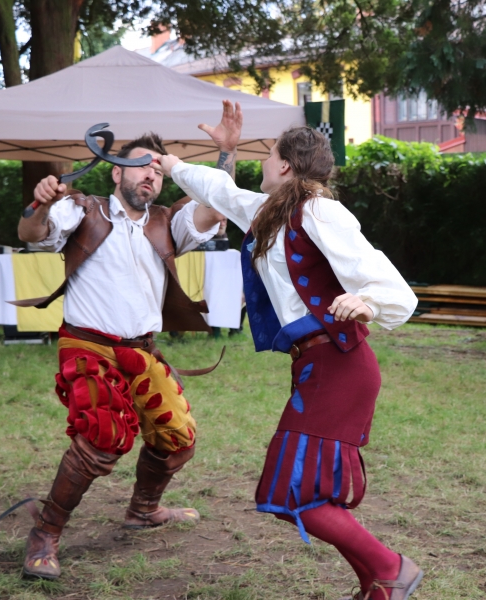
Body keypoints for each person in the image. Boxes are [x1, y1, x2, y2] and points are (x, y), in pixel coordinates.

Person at [160, 121, 422, 600]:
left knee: (288, 493)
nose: (262, 163)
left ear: (284, 165)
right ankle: (376, 584)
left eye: (268, 155)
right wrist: (171, 164)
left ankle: (392, 569)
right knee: (298, 493)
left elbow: (390, 284)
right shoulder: (271, 211)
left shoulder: (321, 211)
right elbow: (220, 191)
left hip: (340, 364)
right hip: (316, 366)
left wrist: (368, 302)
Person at [12, 101, 241, 580]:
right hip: (88, 346)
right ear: (116, 172)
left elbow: (215, 205)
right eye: (140, 166)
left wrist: (226, 153)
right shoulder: (83, 209)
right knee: (102, 436)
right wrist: (41, 203)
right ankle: (46, 532)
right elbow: (32, 232)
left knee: (178, 437)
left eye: (157, 170)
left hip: (140, 350)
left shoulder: (167, 221)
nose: (150, 175)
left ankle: (143, 510)